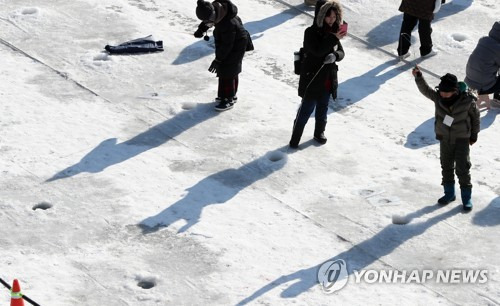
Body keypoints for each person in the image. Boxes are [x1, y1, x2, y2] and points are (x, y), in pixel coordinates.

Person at [412, 65, 480, 211]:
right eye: (441, 92)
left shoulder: (467, 101)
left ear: (455, 91)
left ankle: (466, 197)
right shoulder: (438, 98)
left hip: (462, 139)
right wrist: (418, 77)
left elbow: (475, 118)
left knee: (463, 168)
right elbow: (426, 90)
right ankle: (449, 194)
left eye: (446, 93)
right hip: (445, 139)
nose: (443, 95)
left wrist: (474, 134)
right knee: (446, 166)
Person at [289, 0, 346, 148]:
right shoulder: (311, 32)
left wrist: (336, 56)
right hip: (312, 79)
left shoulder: (334, 33)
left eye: (334, 17)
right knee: (306, 109)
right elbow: (317, 51)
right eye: (328, 16)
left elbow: (341, 52)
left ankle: (319, 132)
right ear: (321, 16)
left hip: (328, 79)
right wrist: (334, 38)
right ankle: (295, 139)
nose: (331, 20)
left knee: (323, 108)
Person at [194, 0, 250, 111]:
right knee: (226, 69)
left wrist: (218, 60)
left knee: (228, 70)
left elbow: (227, 45)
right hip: (231, 43)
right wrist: (201, 29)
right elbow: (208, 20)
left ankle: (228, 99)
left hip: (236, 45)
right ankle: (226, 95)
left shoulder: (228, 24)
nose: (207, 22)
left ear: (213, 15)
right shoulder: (218, 11)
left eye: (208, 20)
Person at [464, 21, 500, 109]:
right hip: (482, 86)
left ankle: (496, 98)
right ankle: (498, 99)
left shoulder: (483, 40)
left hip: (469, 79)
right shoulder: (498, 48)